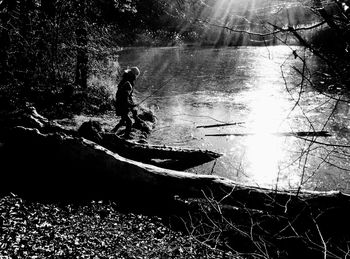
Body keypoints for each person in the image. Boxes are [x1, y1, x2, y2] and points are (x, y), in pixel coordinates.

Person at [111, 66, 141, 137]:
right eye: (136, 75)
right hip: (122, 104)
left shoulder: (125, 79)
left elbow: (126, 96)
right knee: (128, 122)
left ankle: (113, 131)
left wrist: (131, 105)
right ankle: (126, 136)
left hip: (121, 102)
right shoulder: (128, 83)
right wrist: (132, 105)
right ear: (134, 74)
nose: (136, 77)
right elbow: (126, 96)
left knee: (123, 119)